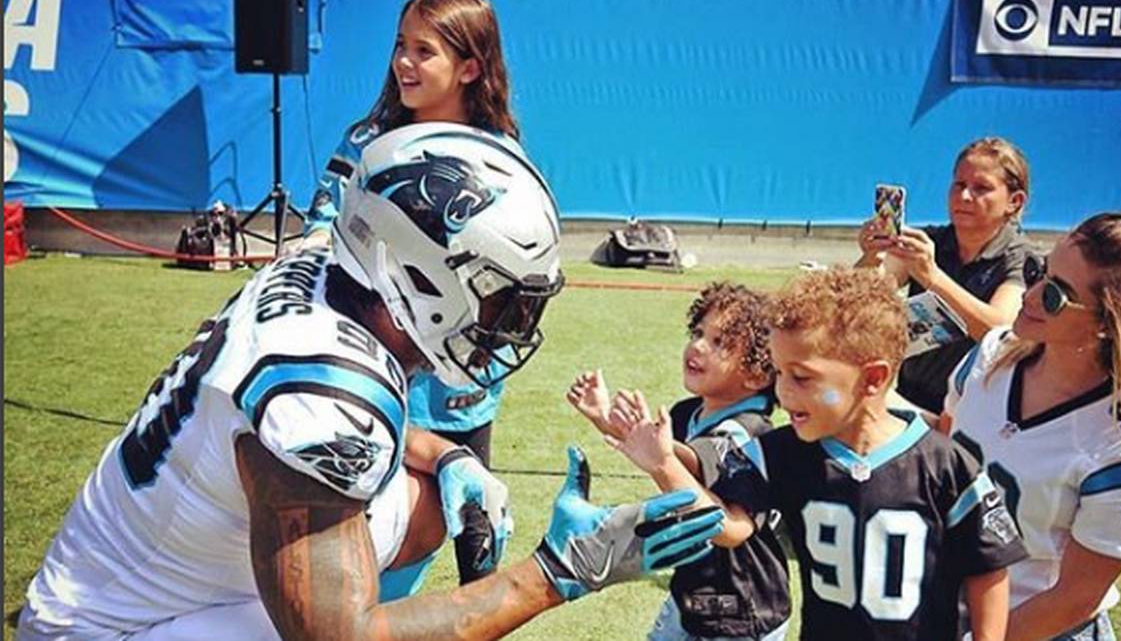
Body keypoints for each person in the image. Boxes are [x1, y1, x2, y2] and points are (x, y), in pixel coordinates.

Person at [17, 126, 725, 640]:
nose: (510, 325)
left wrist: (453, 457)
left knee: (421, 503)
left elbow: (299, 418)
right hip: (108, 626)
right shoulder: (322, 401)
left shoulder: (330, 272)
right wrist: (558, 570)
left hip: (166, 555)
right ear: (419, 275)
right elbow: (344, 639)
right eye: (500, 298)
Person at [608, 268, 1028, 641]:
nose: (783, 392)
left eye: (802, 377)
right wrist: (663, 463)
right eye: (779, 372)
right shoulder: (779, 453)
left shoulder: (946, 464)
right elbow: (730, 528)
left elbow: (987, 568)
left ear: (872, 379)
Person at [302, 0, 524, 585]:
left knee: (473, 523)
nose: (403, 61)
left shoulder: (500, 157)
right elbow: (317, 235)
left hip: (462, 383)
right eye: (401, 45)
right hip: (369, 371)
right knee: (366, 538)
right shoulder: (364, 141)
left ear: (471, 66)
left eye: (423, 50)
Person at [941, 212, 1121, 641]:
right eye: (1039, 270)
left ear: (1110, 326)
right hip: (949, 610)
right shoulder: (990, 356)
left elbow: (1075, 598)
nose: (1031, 294)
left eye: (1055, 295)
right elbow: (943, 449)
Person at [568, 282, 791, 640]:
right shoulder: (689, 412)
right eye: (699, 333)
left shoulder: (749, 434)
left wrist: (659, 453)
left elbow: (726, 515)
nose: (698, 346)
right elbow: (674, 459)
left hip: (745, 608)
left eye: (720, 342)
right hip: (692, 589)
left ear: (756, 374)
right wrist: (609, 420)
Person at [856, 137, 1038, 414]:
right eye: (959, 185)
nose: (964, 196)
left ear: (1014, 201)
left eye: (981, 188)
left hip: (977, 410)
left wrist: (933, 278)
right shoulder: (930, 242)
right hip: (909, 400)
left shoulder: (1021, 258)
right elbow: (856, 299)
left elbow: (1000, 333)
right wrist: (872, 256)